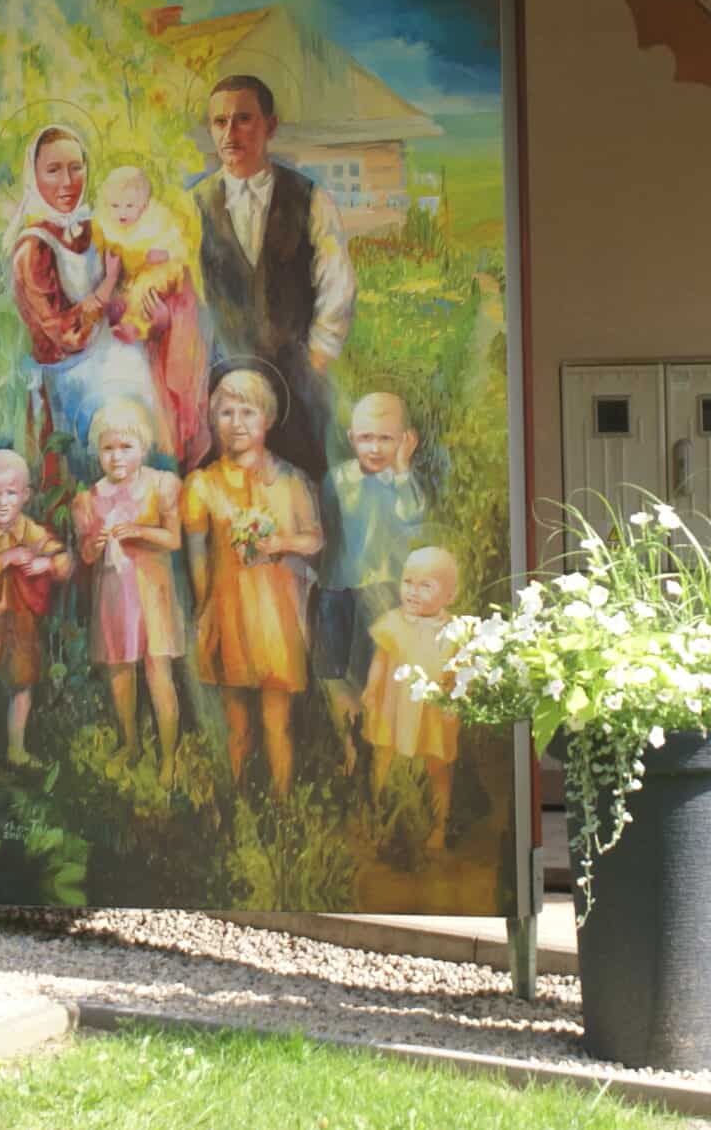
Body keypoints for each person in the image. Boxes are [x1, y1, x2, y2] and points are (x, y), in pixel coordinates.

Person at [195, 76, 355, 481]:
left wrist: (318, 355)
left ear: (271, 125)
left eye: (243, 119)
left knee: (302, 489)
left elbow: (337, 281)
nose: (230, 133)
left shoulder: (310, 199)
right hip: (224, 383)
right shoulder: (192, 205)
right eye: (219, 122)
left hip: (297, 382)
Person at [182, 366, 323, 798]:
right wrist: (204, 606)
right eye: (226, 413)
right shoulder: (202, 484)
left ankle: (282, 804)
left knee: (276, 721)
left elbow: (314, 539)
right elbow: (197, 554)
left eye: (248, 413)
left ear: (268, 419)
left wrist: (280, 543)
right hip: (229, 610)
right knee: (237, 724)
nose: (237, 423)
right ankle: (241, 802)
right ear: (213, 420)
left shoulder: (291, 481)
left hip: (276, 615)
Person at [8, 124, 160, 475]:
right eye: (53, 170)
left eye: (76, 168)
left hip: (111, 349)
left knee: (144, 395)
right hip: (68, 368)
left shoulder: (96, 225)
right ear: (34, 176)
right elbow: (65, 335)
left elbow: (128, 279)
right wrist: (105, 288)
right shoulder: (33, 247)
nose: (67, 182)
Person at [71, 398, 187, 780]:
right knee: (120, 671)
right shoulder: (88, 500)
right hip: (114, 595)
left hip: (152, 594)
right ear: (98, 452)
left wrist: (137, 531)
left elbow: (173, 539)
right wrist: (95, 544)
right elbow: (86, 555)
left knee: (158, 672)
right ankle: (131, 742)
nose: (117, 457)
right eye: (108, 448)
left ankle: (168, 757)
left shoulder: (161, 485)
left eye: (126, 447)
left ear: (143, 447)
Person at [317, 391, 430, 773]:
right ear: (352, 438)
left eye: (386, 438)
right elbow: (328, 528)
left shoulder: (402, 483)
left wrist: (402, 471)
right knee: (332, 670)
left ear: (405, 439)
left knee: (374, 674)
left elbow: (413, 521)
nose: (375, 448)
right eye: (366, 438)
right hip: (336, 587)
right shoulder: (337, 478)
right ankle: (348, 744)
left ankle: (375, 751)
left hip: (380, 590)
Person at [0, 449, 71, 779]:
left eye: (11, 493)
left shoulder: (27, 528)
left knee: (22, 685)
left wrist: (48, 563)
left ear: (25, 495)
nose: (3, 502)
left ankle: (16, 751)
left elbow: (65, 562)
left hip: (20, 621)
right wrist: (7, 558)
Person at [96, 165, 210, 465]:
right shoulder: (104, 228)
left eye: (129, 206)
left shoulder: (159, 223)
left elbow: (180, 257)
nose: (122, 213)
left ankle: (137, 326)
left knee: (144, 290)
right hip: (119, 339)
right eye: (115, 206)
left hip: (161, 285)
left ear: (144, 205)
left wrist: (165, 257)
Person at [361, 546, 465, 849]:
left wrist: (456, 700)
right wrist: (371, 689)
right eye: (408, 581)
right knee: (383, 757)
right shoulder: (393, 623)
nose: (413, 591)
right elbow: (381, 660)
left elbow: (462, 673)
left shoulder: (456, 631)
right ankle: (378, 815)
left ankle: (439, 825)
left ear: (449, 596)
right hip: (394, 707)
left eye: (425, 585)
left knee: (437, 766)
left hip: (433, 711)